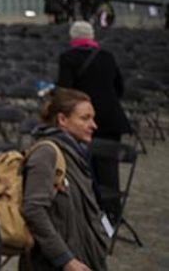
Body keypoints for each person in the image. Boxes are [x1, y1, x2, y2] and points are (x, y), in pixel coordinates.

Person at [20, 87, 110, 271]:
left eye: (92, 118)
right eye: (85, 118)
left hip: (84, 257)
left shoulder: (76, 153)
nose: (94, 125)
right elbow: (33, 209)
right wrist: (65, 259)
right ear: (62, 120)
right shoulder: (47, 153)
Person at [56, 20, 131, 221]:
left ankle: (90, 210)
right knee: (109, 168)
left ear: (73, 37)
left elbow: (65, 91)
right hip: (110, 118)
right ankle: (112, 214)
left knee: (84, 164)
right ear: (91, 37)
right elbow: (120, 87)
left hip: (81, 119)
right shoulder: (107, 56)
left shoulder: (68, 58)